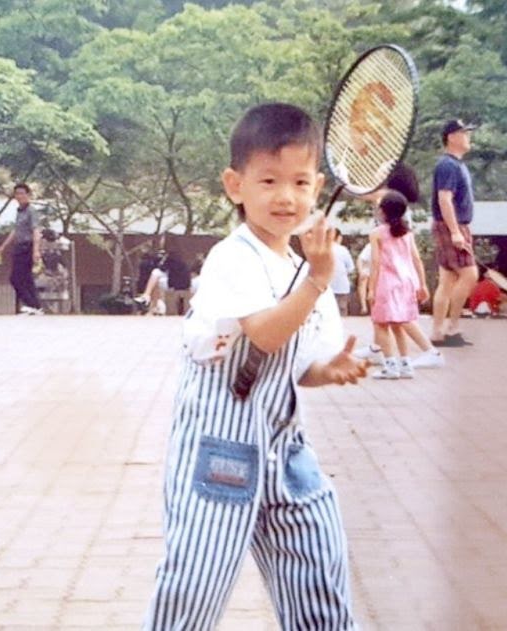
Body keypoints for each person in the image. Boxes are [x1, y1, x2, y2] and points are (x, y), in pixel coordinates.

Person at [143, 102, 369, 631]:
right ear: (235, 185)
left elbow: (299, 366)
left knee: (318, 574)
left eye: (300, 182)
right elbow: (265, 334)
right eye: (268, 180)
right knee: (195, 587)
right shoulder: (234, 257)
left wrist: (328, 370)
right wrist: (316, 280)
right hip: (221, 453)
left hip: (285, 450)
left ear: (317, 187)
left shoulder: (304, 266)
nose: (285, 196)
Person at [369, 191, 443, 379]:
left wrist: (371, 289)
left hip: (386, 282)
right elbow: (417, 259)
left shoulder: (376, 233)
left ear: (383, 211)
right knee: (398, 323)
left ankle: (390, 366)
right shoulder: (407, 233)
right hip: (407, 281)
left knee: (380, 323)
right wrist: (423, 284)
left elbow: (375, 264)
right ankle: (405, 364)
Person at [430, 119, 479, 346]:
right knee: (469, 274)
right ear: (451, 137)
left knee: (447, 280)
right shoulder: (448, 165)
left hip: (452, 225)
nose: (468, 136)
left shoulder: (455, 164)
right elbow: (444, 199)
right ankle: (452, 328)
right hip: (452, 225)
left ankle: (438, 332)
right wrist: (455, 232)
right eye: (464, 132)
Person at [0, 183, 43, 315]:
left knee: (15, 278)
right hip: (18, 246)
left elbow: (36, 230)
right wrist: (3, 246)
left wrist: (36, 250)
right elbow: (16, 230)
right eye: (17, 193)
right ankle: (36, 307)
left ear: (28, 195)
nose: (19, 196)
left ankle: (31, 304)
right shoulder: (19, 211)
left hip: (27, 247)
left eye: (22, 193)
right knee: (27, 278)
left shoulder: (31, 211)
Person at [330, 229, 355, 316]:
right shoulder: (343, 250)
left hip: (326, 287)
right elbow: (351, 268)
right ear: (339, 237)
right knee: (342, 310)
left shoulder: (322, 249)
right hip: (342, 286)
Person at [356, 241, 372, 314]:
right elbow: (360, 259)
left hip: (381, 271)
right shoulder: (370, 246)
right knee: (363, 279)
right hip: (369, 269)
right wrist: (361, 272)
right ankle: (364, 306)